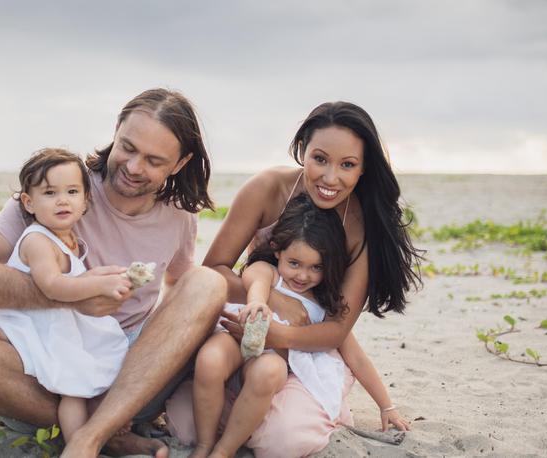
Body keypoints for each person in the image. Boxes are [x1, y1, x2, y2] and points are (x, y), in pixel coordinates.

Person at [0, 88, 227, 458]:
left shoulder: (180, 215)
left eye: (153, 160)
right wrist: (70, 294)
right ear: (116, 130)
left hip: (126, 380)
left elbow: (180, 289)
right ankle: (106, 433)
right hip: (42, 375)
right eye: (128, 148)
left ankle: (88, 436)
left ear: (180, 163)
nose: (134, 168)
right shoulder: (60, 187)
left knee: (208, 282)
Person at [167, 101, 422, 457]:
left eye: (347, 165)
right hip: (247, 329)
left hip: (308, 348)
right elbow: (213, 274)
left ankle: (282, 416)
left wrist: (278, 336)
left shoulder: (363, 227)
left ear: (363, 169)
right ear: (303, 151)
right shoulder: (269, 188)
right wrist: (273, 298)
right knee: (186, 421)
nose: (331, 178)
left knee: (283, 440)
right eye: (320, 159)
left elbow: (336, 331)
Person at [186, 193, 409, 458]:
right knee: (210, 360)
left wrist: (386, 406)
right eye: (294, 263)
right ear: (277, 250)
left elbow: (356, 358)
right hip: (238, 336)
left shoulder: (323, 305)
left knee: (268, 371)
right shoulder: (269, 273)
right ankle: (204, 444)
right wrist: (258, 303)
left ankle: (223, 450)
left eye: (316, 267)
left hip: (273, 356)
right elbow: (253, 281)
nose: (303, 275)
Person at [0, 148, 134, 443]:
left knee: (108, 359)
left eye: (71, 191)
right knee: (73, 389)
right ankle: (79, 441)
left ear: (85, 200)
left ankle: (106, 418)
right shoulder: (38, 240)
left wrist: (103, 277)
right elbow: (51, 286)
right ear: (29, 203)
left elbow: (74, 280)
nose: (62, 200)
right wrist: (98, 286)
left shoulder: (66, 238)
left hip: (60, 322)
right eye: (50, 193)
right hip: (38, 328)